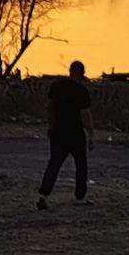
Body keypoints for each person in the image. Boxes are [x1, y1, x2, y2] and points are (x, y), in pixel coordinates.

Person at [37, 61, 95, 210]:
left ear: (70, 71)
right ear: (82, 73)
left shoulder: (56, 86)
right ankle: (80, 196)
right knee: (81, 164)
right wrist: (90, 134)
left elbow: (50, 108)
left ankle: (44, 194)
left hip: (57, 131)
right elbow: (85, 114)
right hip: (75, 133)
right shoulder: (82, 91)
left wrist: (50, 126)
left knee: (54, 163)